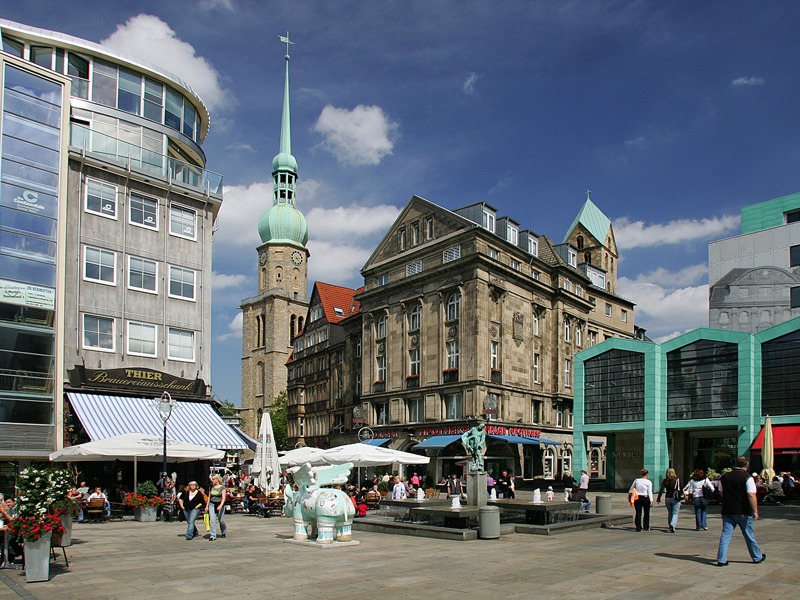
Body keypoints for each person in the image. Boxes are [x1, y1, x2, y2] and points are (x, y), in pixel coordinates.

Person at [714, 456, 765, 566]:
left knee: (726, 535)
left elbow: (721, 492)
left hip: (727, 510)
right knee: (748, 534)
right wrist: (755, 511)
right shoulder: (747, 478)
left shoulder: (724, 477)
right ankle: (757, 556)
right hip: (743, 510)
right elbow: (751, 495)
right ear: (747, 465)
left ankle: (721, 559)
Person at [656, 468, 682, 533]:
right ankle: (672, 525)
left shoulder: (665, 480)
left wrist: (658, 498)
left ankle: (670, 525)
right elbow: (680, 488)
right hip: (675, 498)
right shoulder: (677, 479)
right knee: (675, 513)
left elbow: (661, 489)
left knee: (670, 513)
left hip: (667, 498)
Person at [205, 474, 227, 540]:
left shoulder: (222, 487)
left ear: (217, 480)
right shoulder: (211, 487)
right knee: (212, 520)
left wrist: (220, 505)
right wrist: (207, 506)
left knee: (221, 520)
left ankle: (223, 531)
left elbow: (223, 498)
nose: (212, 481)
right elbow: (209, 497)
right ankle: (213, 535)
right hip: (212, 504)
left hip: (220, 503)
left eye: (214, 479)